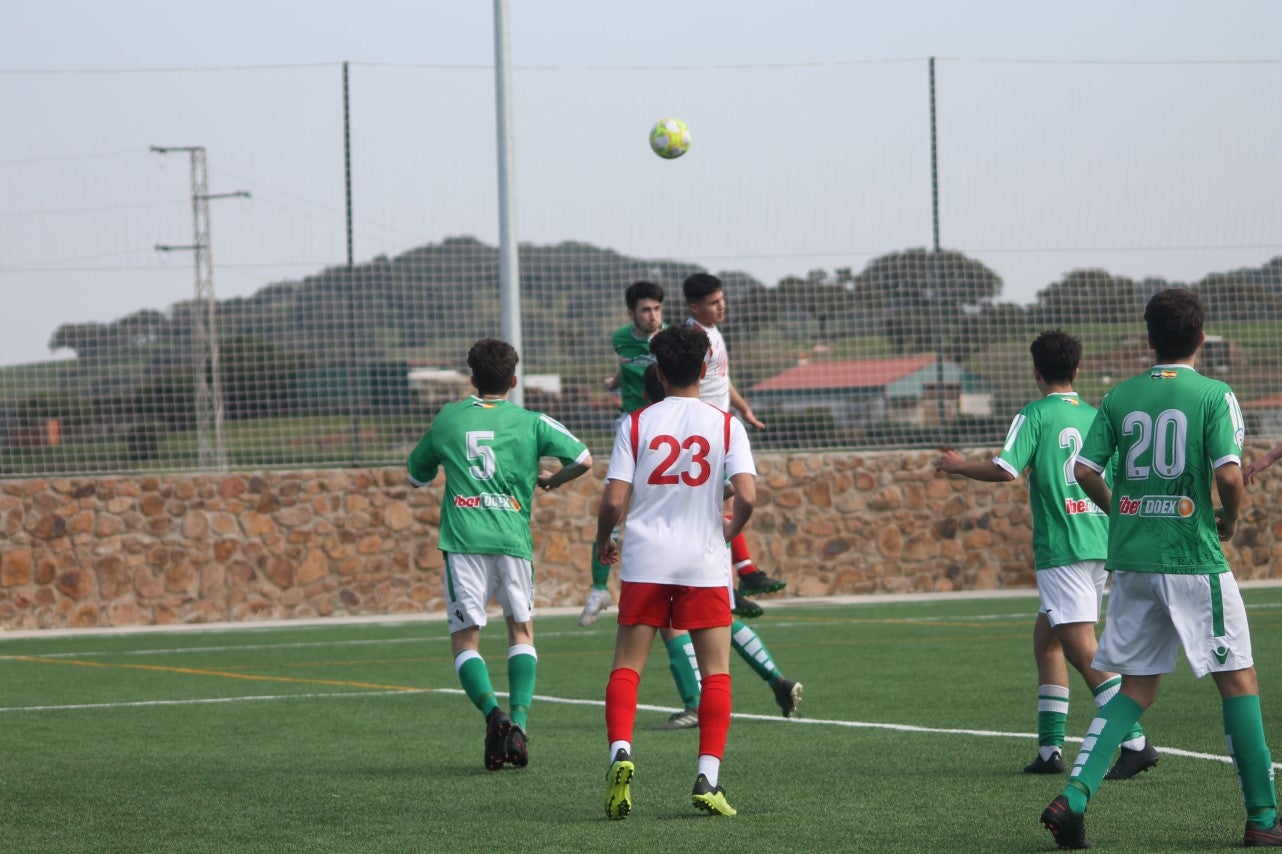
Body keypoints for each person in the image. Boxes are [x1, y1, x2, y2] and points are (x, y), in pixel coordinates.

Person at [1040, 289, 1281, 849]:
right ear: (1201, 338)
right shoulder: (1215, 395)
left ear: (1149, 340)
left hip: (1134, 561)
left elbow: (1083, 470)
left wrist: (1125, 509)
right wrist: (1229, 519)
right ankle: (1263, 818)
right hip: (1192, 557)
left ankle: (1074, 796)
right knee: (1238, 680)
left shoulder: (1121, 396)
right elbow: (1226, 475)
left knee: (1137, 687)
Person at [934, 331, 1155, 779]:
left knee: (1082, 650)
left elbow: (1006, 469)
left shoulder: (1033, 414)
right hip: (1098, 542)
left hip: (1063, 547)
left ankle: (1135, 742)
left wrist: (958, 467)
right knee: (1048, 640)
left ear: (1035, 371)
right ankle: (1051, 752)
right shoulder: (1098, 415)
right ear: (1077, 370)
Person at [406, 338, 592, 772]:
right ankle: (520, 724)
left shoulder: (449, 418)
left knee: (465, 639)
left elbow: (417, 476)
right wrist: (552, 481)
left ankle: (495, 716)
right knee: (521, 631)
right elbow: (584, 458)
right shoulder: (532, 421)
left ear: (472, 379)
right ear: (513, 379)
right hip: (511, 539)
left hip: (464, 541)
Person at [597, 323, 756, 819]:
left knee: (628, 666)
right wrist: (728, 535)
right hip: (704, 562)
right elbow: (747, 494)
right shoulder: (727, 425)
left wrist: (605, 540)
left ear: (659, 372)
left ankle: (621, 753)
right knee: (716, 675)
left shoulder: (637, 424)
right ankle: (707, 778)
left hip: (646, 559)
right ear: (705, 368)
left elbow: (614, 498)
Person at [637, 364, 802, 729]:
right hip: (710, 538)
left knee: (670, 625)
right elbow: (738, 488)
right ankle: (776, 678)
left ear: (651, 394)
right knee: (720, 621)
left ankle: (695, 705)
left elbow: (621, 496)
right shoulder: (713, 422)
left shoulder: (644, 426)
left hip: (666, 544)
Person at [682, 272, 784, 602]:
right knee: (723, 503)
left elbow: (721, 381)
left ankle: (740, 576)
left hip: (721, 428)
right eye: (714, 303)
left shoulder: (712, 332)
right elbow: (688, 386)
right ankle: (734, 580)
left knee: (724, 503)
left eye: (722, 299)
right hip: (706, 434)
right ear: (695, 307)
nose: (722, 306)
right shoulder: (693, 339)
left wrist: (744, 409)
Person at [580, 281, 666, 626]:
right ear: (632, 313)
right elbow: (630, 364)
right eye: (646, 310)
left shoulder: (669, 340)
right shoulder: (621, 338)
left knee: (656, 510)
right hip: (631, 426)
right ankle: (600, 587)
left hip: (665, 428)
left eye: (658, 309)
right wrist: (616, 381)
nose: (653, 316)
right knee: (614, 508)